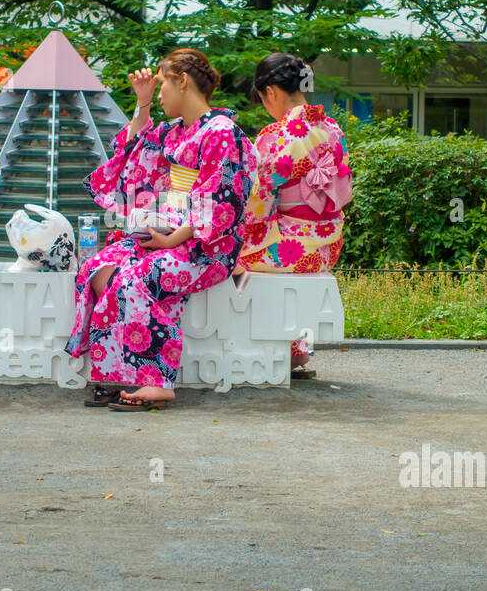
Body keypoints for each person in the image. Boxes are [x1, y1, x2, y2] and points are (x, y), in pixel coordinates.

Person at [66, 48, 257, 410]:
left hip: (208, 246)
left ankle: (156, 381)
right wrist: (143, 104)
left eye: (162, 82)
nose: (160, 89)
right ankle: (121, 373)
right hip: (169, 232)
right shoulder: (174, 131)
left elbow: (221, 202)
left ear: (182, 81)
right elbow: (132, 152)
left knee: (137, 278)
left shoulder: (222, 132)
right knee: (98, 267)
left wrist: (170, 238)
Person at [235, 52, 353, 378]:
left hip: (294, 248)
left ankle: (258, 349)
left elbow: (257, 204)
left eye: (263, 99)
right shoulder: (333, 129)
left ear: (270, 92)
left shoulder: (278, 135)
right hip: (328, 244)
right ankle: (296, 347)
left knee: (223, 254)